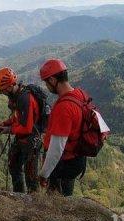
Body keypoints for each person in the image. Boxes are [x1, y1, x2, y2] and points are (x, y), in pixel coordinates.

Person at [38, 59, 95, 196]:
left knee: (57, 204)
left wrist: (44, 173)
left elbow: (56, 148)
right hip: (77, 158)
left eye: (46, 82)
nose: (47, 86)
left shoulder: (64, 107)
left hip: (64, 163)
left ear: (52, 80)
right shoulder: (80, 94)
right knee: (66, 197)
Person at [0, 67, 44, 193]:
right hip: (23, 137)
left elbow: (27, 127)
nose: (1, 93)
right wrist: (4, 123)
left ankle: (33, 200)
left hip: (32, 138)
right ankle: (18, 195)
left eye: (2, 90)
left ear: (9, 86)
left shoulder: (25, 99)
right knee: (13, 164)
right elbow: (17, 117)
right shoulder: (16, 96)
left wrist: (9, 129)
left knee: (30, 173)